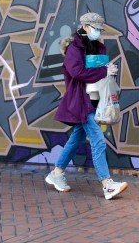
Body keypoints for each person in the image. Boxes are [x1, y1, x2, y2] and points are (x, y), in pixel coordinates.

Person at [45, 12, 128, 200]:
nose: (98, 32)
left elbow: (97, 73)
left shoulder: (98, 47)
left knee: (76, 139)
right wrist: (103, 70)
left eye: (100, 29)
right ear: (85, 27)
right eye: (96, 28)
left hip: (94, 100)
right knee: (98, 140)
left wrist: (109, 72)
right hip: (81, 102)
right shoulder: (74, 49)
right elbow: (78, 72)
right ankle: (107, 184)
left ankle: (56, 174)